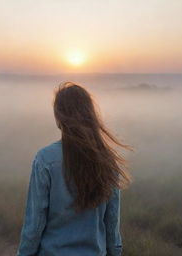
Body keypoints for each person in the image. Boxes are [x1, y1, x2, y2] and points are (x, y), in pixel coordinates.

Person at [16, 81, 133, 256]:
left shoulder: (45, 159)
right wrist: (115, 252)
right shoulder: (106, 159)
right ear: (90, 115)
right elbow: (111, 221)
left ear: (59, 117)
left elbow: (35, 223)